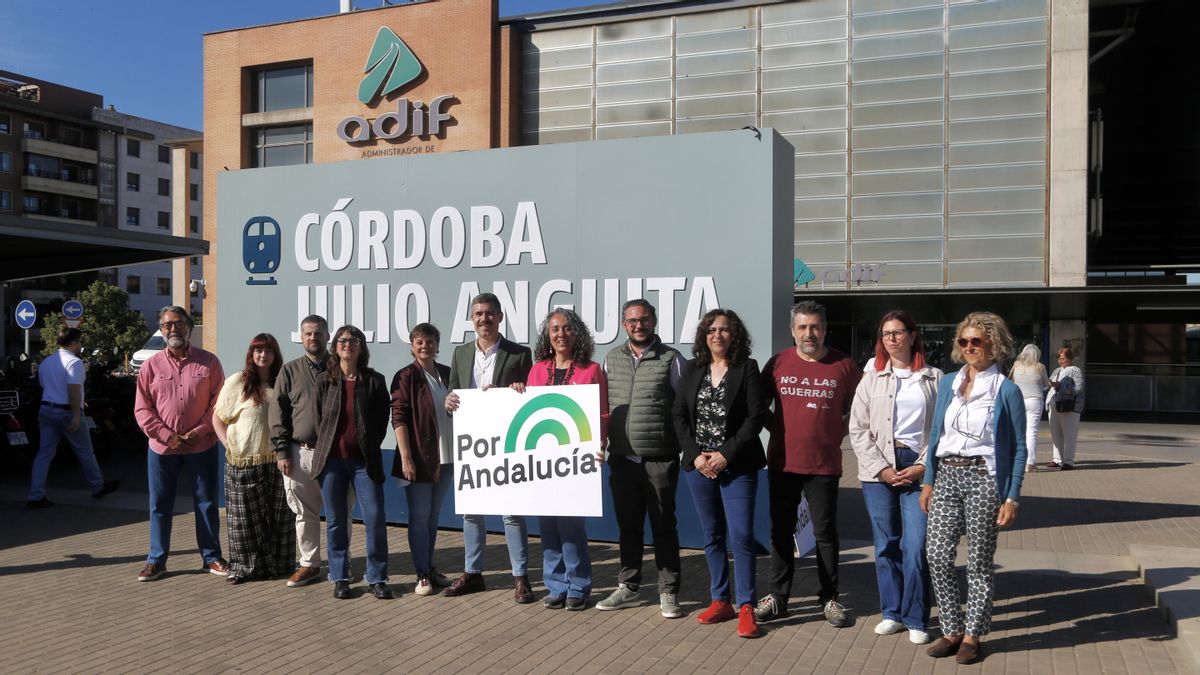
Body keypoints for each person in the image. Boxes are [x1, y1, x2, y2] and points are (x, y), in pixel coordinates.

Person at [921, 311, 1026, 665]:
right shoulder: (949, 382)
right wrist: (928, 480)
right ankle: (951, 629)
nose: (968, 347)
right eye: (963, 341)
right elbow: (936, 434)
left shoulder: (1006, 390)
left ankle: (972, 635)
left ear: (993, 344)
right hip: (946, 475)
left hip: (984, 478)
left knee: (979, 562)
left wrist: (1011, 497)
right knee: (936, 555)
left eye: (976, 341)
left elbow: (1020, 448)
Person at [756, 300, 861, 626]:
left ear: (825, 330)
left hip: (824, 464)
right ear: (793, 331)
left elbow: (861, 409)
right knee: (780, 532)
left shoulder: (844, 366)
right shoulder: (778, 363)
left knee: (825, 533)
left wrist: (837, 431)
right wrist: (778, 429)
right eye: (802, 327)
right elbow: (757, 406)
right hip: (783, 462)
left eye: (815, 327)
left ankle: (829, 598)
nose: (809, 333)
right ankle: (778, 597)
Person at [849, 311, 942, 645]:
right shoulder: (871, 377)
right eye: (886, 333)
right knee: (886, 545)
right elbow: (857, 428)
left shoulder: (934, 378)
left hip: (917, 467)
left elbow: (942, 429)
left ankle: (916, 617)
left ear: (913, 336)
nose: (891, 338)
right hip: (879, 470)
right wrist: (882, 469)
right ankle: (892, 612)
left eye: (898, 332)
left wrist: (923, 466)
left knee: (915, 546)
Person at [673, 309, 767, 638]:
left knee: (741, 536)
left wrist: (726, 454)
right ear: (704, 335)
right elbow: (678, 416)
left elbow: (755, 417)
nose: (718, 335)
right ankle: (720, 600)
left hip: (736, 466)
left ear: (734, 334)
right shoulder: (692, 369)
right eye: (711, 329)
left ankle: (746, 606)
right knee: (712, 535)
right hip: (699, 467)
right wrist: (696, 456)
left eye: (724, 329)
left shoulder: (747, 368)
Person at [596, 299, 685, 619]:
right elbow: (601, 407)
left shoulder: (672, 359)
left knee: (664, 527)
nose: (638, 325)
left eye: (644, 319)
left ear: (654, 321)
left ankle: (668, 591)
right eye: (632, 320)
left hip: (660, 459)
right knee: (628, 527)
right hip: (622, 460)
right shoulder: (611, 359)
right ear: (624, 324)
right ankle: (629, 587)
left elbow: (684, 407)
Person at [443, 292, 534, 603]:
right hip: (472, 444)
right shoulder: (460, 353)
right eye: (479, 314)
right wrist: (448, 401)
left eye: (490, 313)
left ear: (500, 317)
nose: (484, 319)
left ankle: (521, 577)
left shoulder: (519, 354)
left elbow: (529, 398)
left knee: (512, 512)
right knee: (472, 512)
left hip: (507, 443)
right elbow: (452, 394)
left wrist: (519, 390)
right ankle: (473, 573)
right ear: (472, 319)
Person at [516, 308, 608, 611]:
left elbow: (601, 414)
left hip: (574, 465)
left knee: (571, 528)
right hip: (541, 464)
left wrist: (600, 445)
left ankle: (578, 585)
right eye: (555, 329)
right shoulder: (537, 369)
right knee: (548, 528)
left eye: (567, 328)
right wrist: (517, 391)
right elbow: (526, 410)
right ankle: (555, 585)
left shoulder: (591, 370)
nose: (561, 334)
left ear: (577, 333)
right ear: (548, 335)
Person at [133, 306, 227, 582]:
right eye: (167, 325)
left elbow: (219, 404)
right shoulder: (150, 366)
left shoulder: (209, 362)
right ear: (161, 330)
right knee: (160, 505)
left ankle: (211, 557)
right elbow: (142, 409)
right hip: (163, 448)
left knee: (206, 503)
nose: (173, 329)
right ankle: (156, 560)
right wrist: (166, 435)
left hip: (202, 445)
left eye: (179, 323)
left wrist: (199, 431)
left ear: (189, 326)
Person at [314, 325, 392, 600]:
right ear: (335, 347)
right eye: (343, 340)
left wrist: (368, 443)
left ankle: (377, 578)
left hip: (364, 463)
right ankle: (340, 577)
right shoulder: (324, 380)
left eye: (354, 340)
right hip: (332, 463)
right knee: (336, 521)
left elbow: (382, 420)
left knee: (375, 518)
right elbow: (318, 419)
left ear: (361, 347)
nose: (348, 344)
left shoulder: (374, 381)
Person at [213, 333, 295, 584]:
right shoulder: (238, 381)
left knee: (279, 517)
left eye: (268, 351)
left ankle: (277, 566)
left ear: (275, 355)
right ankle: (244, 568)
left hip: (276, 460)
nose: (263, 355)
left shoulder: (282, 381)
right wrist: (228, 444)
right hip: (245, 461)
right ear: (251, 354)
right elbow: (217, 418)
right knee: (244, 520)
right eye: (258, 350)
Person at [269, 315, 333, 588]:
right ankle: (309, 564)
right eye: (308, 333)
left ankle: (340, 564)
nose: (313, 338)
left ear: (327, 335)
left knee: (339, 512)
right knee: (304, 513)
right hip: (300, 453)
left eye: (318, 333)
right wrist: (282, 451)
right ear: (301, 337)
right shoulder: (290, 371)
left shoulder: (340, 367)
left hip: (335, 454)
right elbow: (278, 413)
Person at [390, 323, 454, 596]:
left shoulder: (448, 374)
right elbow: (399, 418)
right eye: (419, 342)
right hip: (419, 459)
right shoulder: (406, 376)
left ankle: (429, 566)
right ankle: (421, 573)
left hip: (447, 457)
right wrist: (407, 459)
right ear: (412, 346)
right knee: (419, 517)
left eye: (429, 341)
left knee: (433, 516)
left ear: (437, 345)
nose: (425, 346)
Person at [26, 327, 119, 509]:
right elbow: (73, 389)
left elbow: (45, 386)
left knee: (44, 454)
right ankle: (97, 487)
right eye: (79, 342)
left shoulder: (46, 362)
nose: (80, 345)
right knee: (85, 451)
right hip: (67, 412)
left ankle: (35, 495)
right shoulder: (75, 363)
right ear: (73, 343)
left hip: (47, 410)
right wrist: (76, 415)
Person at [1009, 344, 1049, 471]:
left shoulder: (1017, 365)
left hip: (1019, 400)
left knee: (1018, 430)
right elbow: (1046, 384)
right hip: (1035, 401)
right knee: (1032, 432)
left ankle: (1016, 460)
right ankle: (1029, 463)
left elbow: (1012, 380)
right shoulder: (1040, 367)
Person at [1045, 347, 1084, 471]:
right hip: (1054, 404)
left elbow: (1078, 388)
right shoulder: (1057, 370)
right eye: (1059, 358)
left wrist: (1061, 387)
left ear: (1070, 359)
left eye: (1064, 358)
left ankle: (1068, 461)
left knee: (1069, 434)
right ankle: (1057, 459)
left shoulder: (1075, 370)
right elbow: (1047, 384)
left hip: (1068, 405)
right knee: (1055, 433)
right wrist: (1049, 384)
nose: (1061, 361)